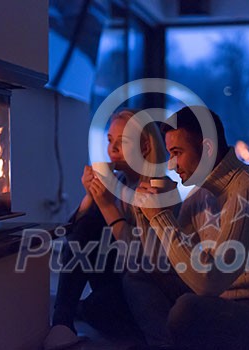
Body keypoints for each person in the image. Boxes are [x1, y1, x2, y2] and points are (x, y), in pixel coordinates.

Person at [128, 105, 249, 350]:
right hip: (227, 303)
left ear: (207, 148)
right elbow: (164, 264)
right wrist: (147, 213)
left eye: (177, 152)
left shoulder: (248, 191)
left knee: (187, 310)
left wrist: (162, 217)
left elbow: (209, 282)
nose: (172, 165)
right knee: (139, 276)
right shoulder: (200, 194)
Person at [44, 109, 169, 350]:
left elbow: (141, 261)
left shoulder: (159, 189)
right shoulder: (120, 182)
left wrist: (106, 205)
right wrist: (91, 196)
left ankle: (78, 309)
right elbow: (74, 233)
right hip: (115, 275)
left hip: (146, 287)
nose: (112, 150)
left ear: (144, 147)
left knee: (97, 307)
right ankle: (62, 321)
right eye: (110, 141)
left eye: (121, 143)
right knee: (88, 223)